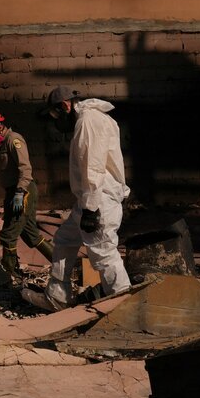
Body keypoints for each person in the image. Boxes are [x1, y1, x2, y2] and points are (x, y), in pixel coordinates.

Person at [22, 87, 132, 311]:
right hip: (93, 199)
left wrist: (91, 209)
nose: (56, 122)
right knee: (64, 239)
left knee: (103, 253)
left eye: (55, 115)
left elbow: (93, 166)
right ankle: (58, 296)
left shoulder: (88, 121)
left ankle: (123, 306)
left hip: (97, 200)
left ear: (65, 106)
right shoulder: (96, 118)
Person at [0, 110, 53, 285]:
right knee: (31, 235)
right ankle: (62, 263)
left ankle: (9, 276)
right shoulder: (5, 143)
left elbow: (25, 169)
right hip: (14, 192)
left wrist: (19, 193)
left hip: (23, 191)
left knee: (8, 234)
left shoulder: (14, 140)